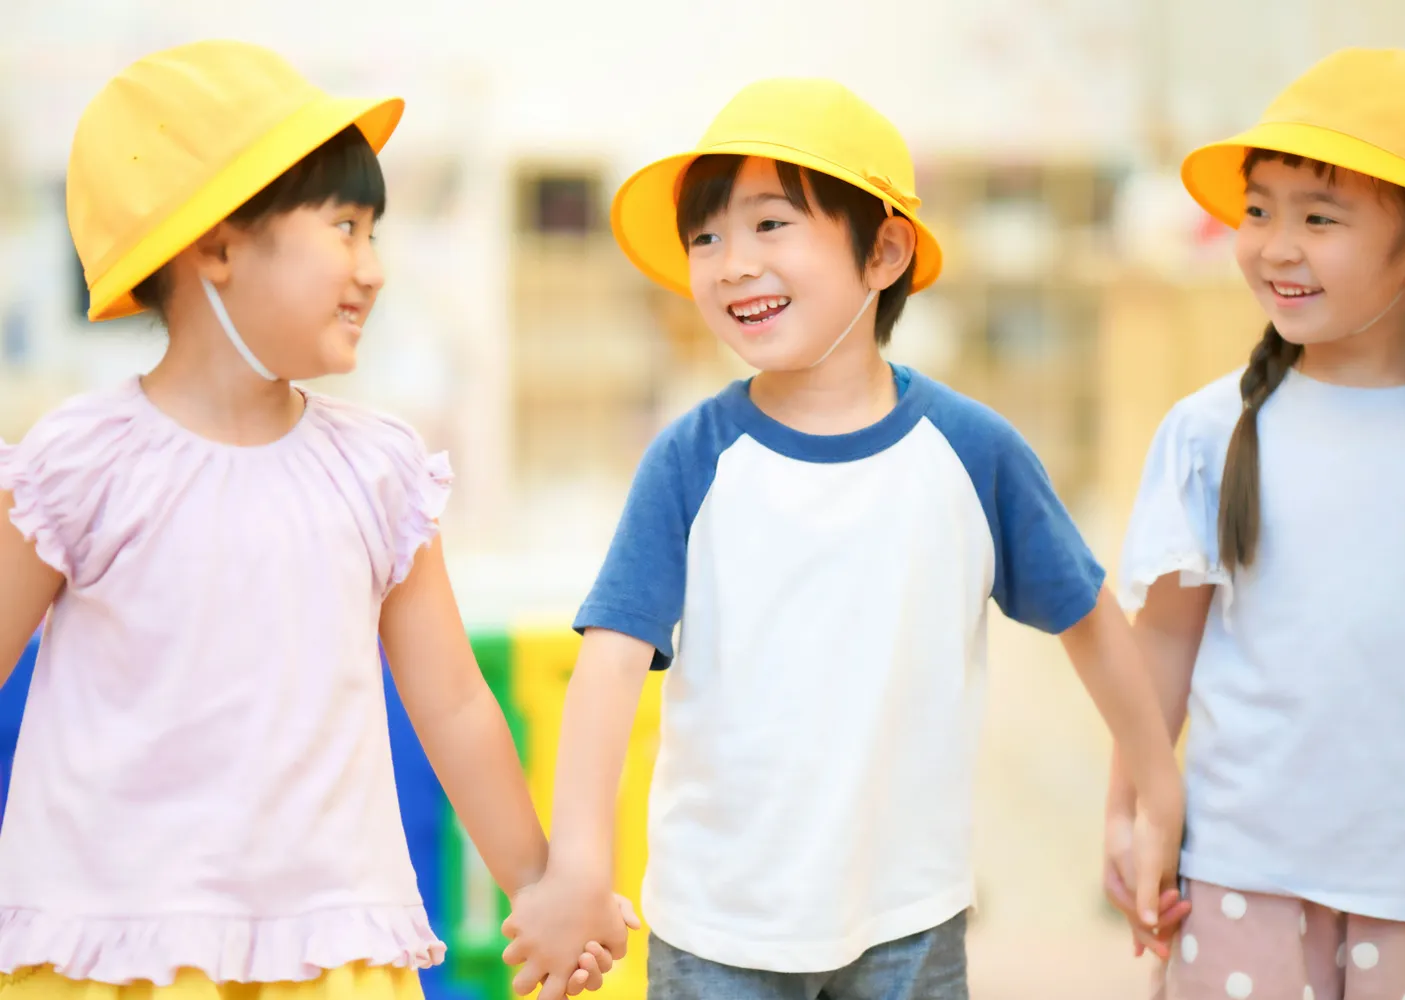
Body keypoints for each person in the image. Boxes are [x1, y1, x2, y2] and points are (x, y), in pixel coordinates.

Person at [500, 77, 1185, 1000]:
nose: (731, 263)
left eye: (770, 225)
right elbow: (610, 665)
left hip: (909, 917)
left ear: (885, 252)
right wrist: (580, 861)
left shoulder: (971, 453)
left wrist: (1154, 792)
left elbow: (1091, 617)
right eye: (705, 236)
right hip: (718, 926)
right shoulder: (692, 461)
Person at [0, 40, 629, 998]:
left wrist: (540, 884)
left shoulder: (376, 471)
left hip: (329, 951)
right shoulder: (80, 463)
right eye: (344, 227)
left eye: (374, 233)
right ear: (216, 244)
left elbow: (454, 702)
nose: (373, 270)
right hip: (113, 949)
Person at [1103, 47, 1405, 999]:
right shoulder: (1207, 432)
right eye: (1258, 210)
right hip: (1242, 882)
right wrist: (1132, 814)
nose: (1276, 246)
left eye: (1319, 217)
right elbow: (1158, 655)